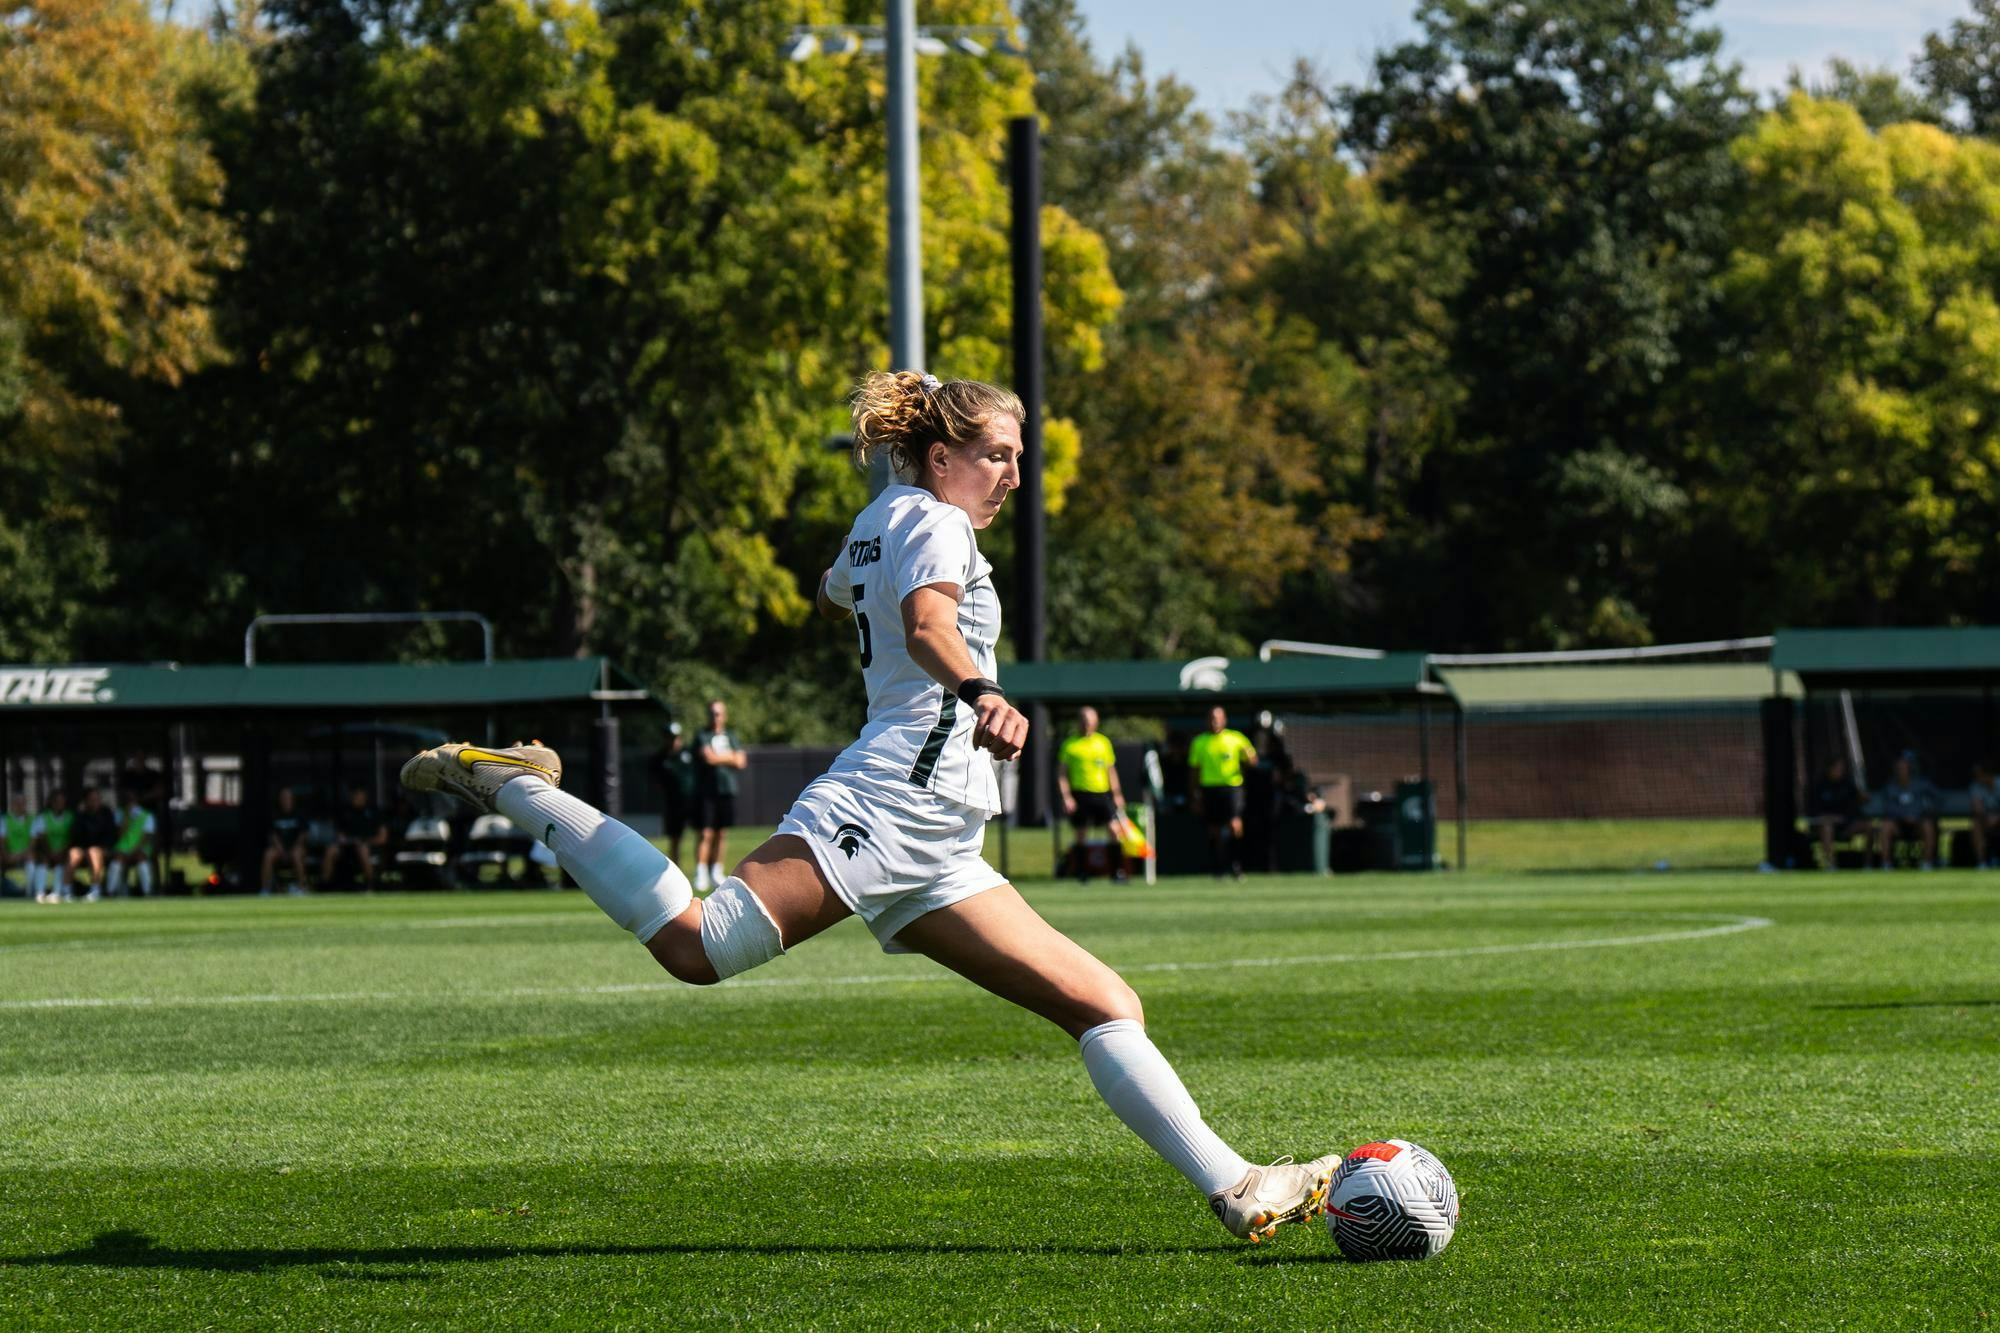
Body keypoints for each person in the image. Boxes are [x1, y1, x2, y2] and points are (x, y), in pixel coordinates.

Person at [400, 370, 1338, 1244]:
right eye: (997, 454)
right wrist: (979, 692)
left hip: (940, 836)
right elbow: (926, 624)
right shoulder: (935, 522)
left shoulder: (885, 517)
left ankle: (1236, 1182)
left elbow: (833, 591)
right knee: (697, 944)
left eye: (1017, 455)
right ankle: (518, 786)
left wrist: (887, 572)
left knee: (1102, 1001)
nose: (1015, 473)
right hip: (891, 802)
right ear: (941, 458)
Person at [1057, 706, 1126, 883]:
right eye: (1084, 721)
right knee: (1081, 833)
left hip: (1102, 793)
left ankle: (1117, 872)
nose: (1087, 725)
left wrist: (1117, 793)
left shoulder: (1103, 742)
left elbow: (1111, 770)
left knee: (1113, 829)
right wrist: (1066, 796)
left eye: (1090, 721)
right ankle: (1081, 872)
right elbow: (1062, 774)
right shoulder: (1070, 745)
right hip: (1080, 794)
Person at [1188, 706, 1257, 880]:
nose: (1215, 721)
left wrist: (1249, 758)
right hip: (1209, 788)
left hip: (1232, 787)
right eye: (1212, 718)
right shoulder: (1199, 742)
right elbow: (1194, 771)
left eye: (1218, 718)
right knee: (1214, 830)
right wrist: (1195, 795)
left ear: (1224, 719)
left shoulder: (1236, 738)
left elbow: (1253, 762)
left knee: (1235, 825)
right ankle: (1217, 868)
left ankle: (1237, 865)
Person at [692, 699, 748, 892]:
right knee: (705, 832)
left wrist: (722, 757)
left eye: (718, 713)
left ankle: (717, 871)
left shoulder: (731, 736)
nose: (715, 717)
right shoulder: (702, 735)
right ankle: (701, 872)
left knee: (721, 832)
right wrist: (729, 757)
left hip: (727, 789)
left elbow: (741, 761)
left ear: (724, 715)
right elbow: (709, 757)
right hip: (707, 791)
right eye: (712, 713)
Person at [1874, 753, 1939, 870]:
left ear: (1910, 769)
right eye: (1898, 769)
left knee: (1928, 825)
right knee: (1885, 826)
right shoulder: (1890, 787)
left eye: (1904, 768)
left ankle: (1927, 863)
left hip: (1918, 823)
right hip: (1898, 824)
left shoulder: (1921, 784)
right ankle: (1886, 863)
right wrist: (1903, 816)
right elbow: (1887, 809)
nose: (1901, 771)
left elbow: (1937, 798)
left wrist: (1922, 813)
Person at [1807, 755, 1869, 870]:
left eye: (1842, 769)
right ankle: (1831, 864)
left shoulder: (1848, 784)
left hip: (1846, 824)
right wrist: (1830, 817)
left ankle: (1868, 864)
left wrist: (1863, 798)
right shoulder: (1819, 786)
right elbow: (1814, 811)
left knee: (1868, 827)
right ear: (1829, 768)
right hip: (1826, 825)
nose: (1840, 771)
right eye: (1837, 768)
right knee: (1827, 827)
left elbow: (1855, 807)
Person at [648, 723, 695, 869]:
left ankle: (704, 870)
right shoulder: (660, 758)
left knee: (704, 833)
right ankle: (676, 868)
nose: (673, 741)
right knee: (675, 838)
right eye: (670, 738)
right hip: (673, 802)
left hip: (692, 800)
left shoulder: (688, 753)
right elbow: (655, 781)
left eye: (675, 738)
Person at [322, 786, 387, 889]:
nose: (357, 797)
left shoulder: (374, 811)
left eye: (359, 794)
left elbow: (383, 837)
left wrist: (365, 841)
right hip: (348, 847)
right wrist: (346, 840)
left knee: (363, 849)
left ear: (365, 795)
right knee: (330, 850)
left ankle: (370, 884)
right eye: (354, 794)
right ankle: (325, 885)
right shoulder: (345, 812)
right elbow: (340, 835)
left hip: (370, 847)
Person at [69, 787, 117, 902]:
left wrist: (99, 847)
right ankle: (65, 891)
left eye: (96, 799)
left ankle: (95, 889)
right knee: (73, 854)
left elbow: (110, 836)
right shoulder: (81, 815)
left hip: (104, 850)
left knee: (94, 852)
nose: (94, 802)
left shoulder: (107, 814)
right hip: (84, 849)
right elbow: (77, 837)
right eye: (91, 800)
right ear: (85, 801)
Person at [262, 787, 310, 895]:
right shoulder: (275, 814)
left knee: (296, 854)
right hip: (279, 849)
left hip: (296, 848)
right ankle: (265, 889)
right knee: (268, 855)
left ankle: (302, 887)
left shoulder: (299, 813)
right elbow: (273, 834)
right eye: (283, 797)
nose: (285, 799)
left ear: (292, 799)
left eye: (288, 797)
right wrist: (281, 849)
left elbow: (304, 834)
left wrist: (296, 846)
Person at [106, 794, 155, 897]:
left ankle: (147, 891)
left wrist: (134, 850)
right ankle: (110, 892)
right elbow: (119, 834)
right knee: (117, 861)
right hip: (123, 848)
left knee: (141, 859)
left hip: (140, 848)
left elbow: (147, 837)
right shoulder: (120, 814)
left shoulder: (147, 816)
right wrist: (126, 817)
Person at [33, 789, 73, 902]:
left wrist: (62, 852)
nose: (60, 804)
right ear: (51, 802)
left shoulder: (70, 817)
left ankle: (57, 892)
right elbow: (42, 839)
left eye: (62, 801)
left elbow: (72, 838)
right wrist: (51, 853)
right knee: (43, 860)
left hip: (64, 852)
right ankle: (40, 892)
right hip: (48, 852)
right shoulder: (43, 817)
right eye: (57, 801)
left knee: (64, 861)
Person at [4, 794, 37, 898]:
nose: (20, 806)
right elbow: (1, 843)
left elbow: (33, 843)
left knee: (31, 857)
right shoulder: (4, 820)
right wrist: (7, 855)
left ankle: (30, 892)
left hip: (26, 854)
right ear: (12, 805)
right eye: (17, 804)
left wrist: (19, 855)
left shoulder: (32, 820)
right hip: (8, 854)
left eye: (22, 804)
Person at [1969, 763, 2000, 869]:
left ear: (1988, 774)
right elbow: (1978, 809)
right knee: (1976, 824)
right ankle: (1982, 862)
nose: (1977, 777)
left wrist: (1997, 818)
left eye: (1979, 775)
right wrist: (1987, 818)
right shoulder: (1975, 787)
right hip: (1986, 820)